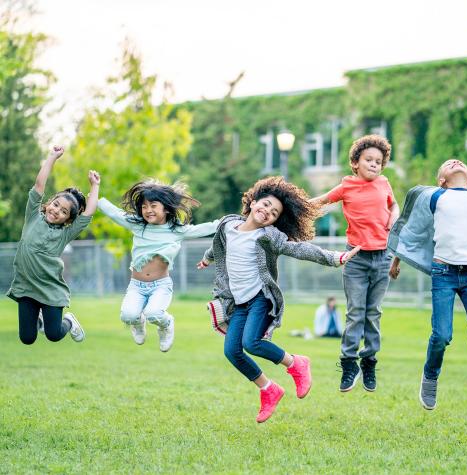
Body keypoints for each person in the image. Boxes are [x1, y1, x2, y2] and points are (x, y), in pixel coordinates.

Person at [197, 176, 360, 423]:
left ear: (275, 221)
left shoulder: (269, 236)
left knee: (252, 343)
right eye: (264, 205)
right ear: (252, 202)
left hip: (261, 298)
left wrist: (334, 258)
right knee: (232, 350)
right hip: (239, 302)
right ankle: (268, 389)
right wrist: (208, 258)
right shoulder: (227, 225)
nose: (266, 213)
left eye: (273, 213)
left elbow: (301, 249)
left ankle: (297, 363)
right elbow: (218, 246)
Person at [388, 159, 467, 425]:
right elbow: (414, 231)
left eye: (459, 163)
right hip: (443, 275)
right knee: (442, 335)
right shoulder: (437, 197)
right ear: (441, 179)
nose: (455, 162)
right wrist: (396, 259)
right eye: (447, 164)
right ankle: (430, 376)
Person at [310, 134, 399, 393]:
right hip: (356, 258)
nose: (374, 164)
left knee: (374, 313)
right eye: (369, 160)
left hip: (382, 257)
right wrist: (292, 207)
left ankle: (369, 361)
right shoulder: (346, 186)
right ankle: (349, 364)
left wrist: (394, 217)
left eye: (379, 161)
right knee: (355, 312)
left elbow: (394, 207)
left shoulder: (384, 183)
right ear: (356, 162)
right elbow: (322, 201)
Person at [98, 180, 218, 352]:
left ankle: (167, 324)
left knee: (154, 313)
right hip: (136, 286)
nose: (148, 210)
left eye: (153, 205)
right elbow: (114, 213)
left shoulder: (176, 231)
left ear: (166, 209)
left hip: (160, 286)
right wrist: (95, 195)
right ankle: (138, 323)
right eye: (144, 206)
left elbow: (205, 228)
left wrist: (230, 222)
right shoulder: (138, 225)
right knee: (128, 315)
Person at [7, 145, 100, 344]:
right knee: (27, 338)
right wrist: (52, 157)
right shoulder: (32, 216)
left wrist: (95, 187)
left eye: (64, 212)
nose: (57, 211)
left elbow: (88, 214)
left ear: (67, 220)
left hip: (50, 289)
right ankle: (38, 321)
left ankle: (69, 321)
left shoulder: (65, 234)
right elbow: (39, 185)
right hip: (26, 287)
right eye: (56, 204)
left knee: (54, 334)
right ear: (49, 203)